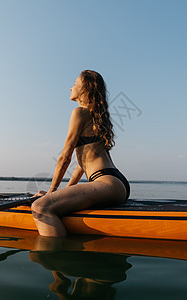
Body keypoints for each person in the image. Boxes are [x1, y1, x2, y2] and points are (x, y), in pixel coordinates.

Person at [31, 70, 130, 237]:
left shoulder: (80, 113)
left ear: (85, 89)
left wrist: (50, 193)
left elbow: (65, 157)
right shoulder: (97, 117)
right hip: (118, 183)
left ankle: (58, 260)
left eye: (75, 84)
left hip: (107, 183)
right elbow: (81, 165)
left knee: (41, 208)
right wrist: (59, 195)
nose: (71, 88)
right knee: (49, 203)